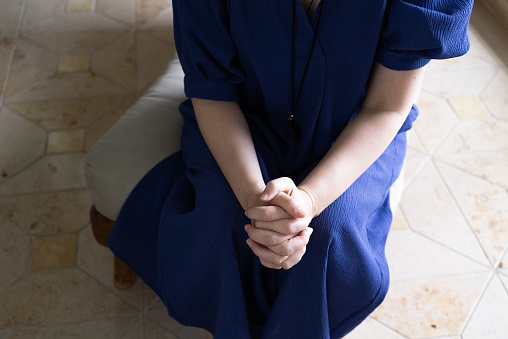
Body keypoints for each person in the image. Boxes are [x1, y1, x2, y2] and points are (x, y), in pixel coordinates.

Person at [108, 0, 474, 337]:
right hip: (241, 116)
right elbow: (213, 93)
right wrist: (256, 199)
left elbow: (386, 107)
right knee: (225, 222)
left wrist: (309, 201)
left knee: (331, 235)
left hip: (353, 126)